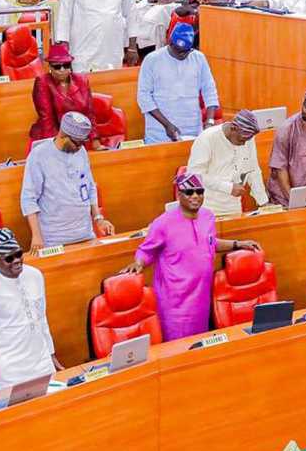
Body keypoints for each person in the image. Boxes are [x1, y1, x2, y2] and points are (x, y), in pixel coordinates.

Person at [121, 172, 261, 340]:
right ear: (179, 195)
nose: (195, 196)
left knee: (198, 345)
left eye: (199, 191)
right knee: (178, 348)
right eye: (189, 192)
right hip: (175, 303)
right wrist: (138, 263)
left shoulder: (208, 216)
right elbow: (146, 250)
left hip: (201, 297)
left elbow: (209, 242)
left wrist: (237, 244)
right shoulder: (163, 223)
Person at [0, 229, 62, 396]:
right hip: (10, 369)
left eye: (18, 254)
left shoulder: (35, 275)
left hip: (41, 360)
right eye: (9, 259)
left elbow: (41, 318)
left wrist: (51, 353)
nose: (17, 260)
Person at [22, 112, 114, 253]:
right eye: (77, 143)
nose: (80, 147)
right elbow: (28, 199)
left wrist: (98, 219)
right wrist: (36, 235)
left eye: (83, 142)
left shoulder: (81, 151)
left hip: (85, 234)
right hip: (54, 239)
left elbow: (89, 188)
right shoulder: (39, 156)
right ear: (63, 136)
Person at [137, 22, 219, 144]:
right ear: (170, 43)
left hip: (191, 127)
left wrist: (210, 120)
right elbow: (144, 97)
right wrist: (167, 125)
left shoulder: (199, 58)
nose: (182, 55)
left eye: (186, 51)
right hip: (160, 130)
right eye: (178, 51)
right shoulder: (152, 60)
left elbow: (209, 90)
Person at [186, 109, 268, 216]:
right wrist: (228, 187)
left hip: (233, 206)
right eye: (241, 140)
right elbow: (194, 175)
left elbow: (253, 170)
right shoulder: (207, 138)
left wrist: (263, 202)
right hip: (207, 206)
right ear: (233, 128)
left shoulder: (247, 138)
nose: (244, 144)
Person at [28, 43, 98, 146]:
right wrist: (57, 146)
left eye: (66, 65)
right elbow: (47, 119)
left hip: (76, 138)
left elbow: (89, 113)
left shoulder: (81, 80)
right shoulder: (43, 82)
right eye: (57, 67)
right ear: (50, 67)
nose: (62, 70)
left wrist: (95, 140)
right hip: (50, 139)